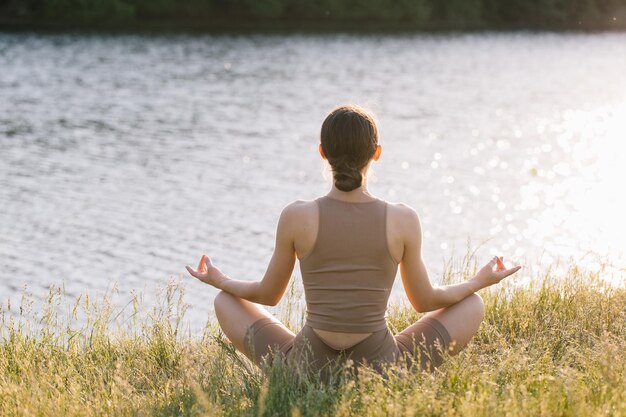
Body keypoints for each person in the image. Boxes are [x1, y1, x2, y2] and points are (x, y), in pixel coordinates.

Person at [186, 104, 521, 378]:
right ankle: (391, 379)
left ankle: (291, 375)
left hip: (306, 365)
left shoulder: (297, 216)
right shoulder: (402, 219)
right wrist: (480, 280)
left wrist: (221, 280)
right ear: (376, 153)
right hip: (381, 366)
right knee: (473, 304)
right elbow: (424, 300)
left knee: (224, 300)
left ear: (322, 153)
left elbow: (268, 295)